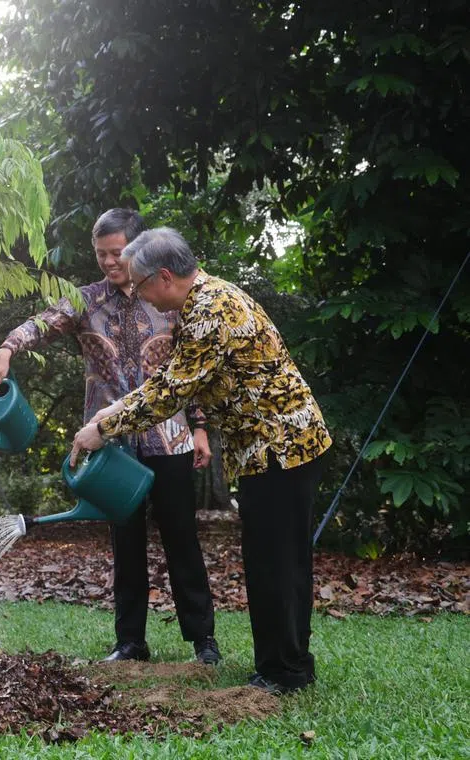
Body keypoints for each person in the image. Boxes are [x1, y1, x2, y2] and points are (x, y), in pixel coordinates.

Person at [73, 227, 332, 695]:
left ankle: (282, 673)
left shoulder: (210, 311)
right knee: (284, 560)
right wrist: (114, 411)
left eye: (139, 284)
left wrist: (102, 426)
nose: (136, 293)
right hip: (284, 447)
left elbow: (172, 390)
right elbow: (172, 380)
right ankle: (292, 661)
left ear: (165, 278)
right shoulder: (207, 300)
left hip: (277, 449)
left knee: (273, 563)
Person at [0, 208, 220, 666]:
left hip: (169, 439)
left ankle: (203, 642)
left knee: (182, 540)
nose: (110, 263)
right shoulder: (85, 300)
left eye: (117, 254)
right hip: (107, 446)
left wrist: (200, 426)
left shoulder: (167, 297)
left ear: (136, 249)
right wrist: (6, 348)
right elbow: (42, 323)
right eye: (101, 255)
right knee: (124, 544)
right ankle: (130, 643)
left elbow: (190, 369)